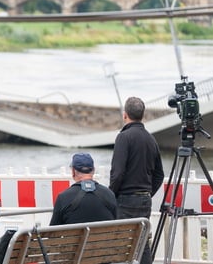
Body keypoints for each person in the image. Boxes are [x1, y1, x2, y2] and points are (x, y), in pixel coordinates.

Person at [110, 96, 165, 264]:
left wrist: (111, 195)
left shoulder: (123, 137)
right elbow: (159, 175)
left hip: (125, 199)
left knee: (118, 242)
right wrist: (147, 192)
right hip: (144, 199)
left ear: (124, 115)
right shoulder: (151, 139)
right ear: (142, 115)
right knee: (142, 243)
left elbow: (117, 173)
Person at [50, 152, 117, 225]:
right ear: (93, 170)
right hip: (106, 236)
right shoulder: (109, 194)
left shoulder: (63, 197)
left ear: (73, 171)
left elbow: (53, 233)